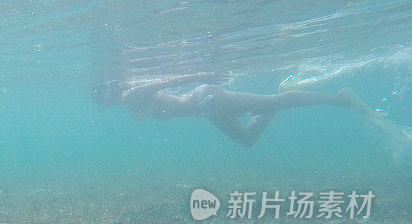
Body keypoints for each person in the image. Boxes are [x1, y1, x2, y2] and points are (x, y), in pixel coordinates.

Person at [95, 73, 412, 151]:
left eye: (102, 93)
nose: (101, 99)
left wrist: (203, 77)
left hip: (209, 99)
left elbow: (169, 81)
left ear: (113, 89)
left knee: (276, 104)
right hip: (207, 110)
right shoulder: (128, 102)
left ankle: (341, 98)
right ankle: (284, 89)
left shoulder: (133, 93)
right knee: (247, 140)